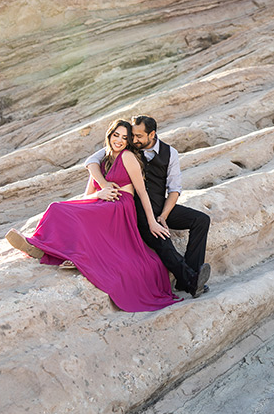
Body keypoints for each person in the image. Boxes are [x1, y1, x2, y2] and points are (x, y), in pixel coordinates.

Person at [4, 119, 181, 312]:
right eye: (116, 136)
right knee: (57, 208)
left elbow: (142, 191)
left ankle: (68, 253)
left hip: (119, 206)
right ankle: (39, 246)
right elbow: (87, 196)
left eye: (124, 137)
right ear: (109, 135)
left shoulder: (128, 156)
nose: (119, 141)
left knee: (76, 215)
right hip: (101, 202)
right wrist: (100, 192)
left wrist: (151, 222)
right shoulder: (101, 161)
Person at [86, 115, 211, 298]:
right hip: (138, 211)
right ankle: (192, 282)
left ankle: (190, 277)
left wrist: (164, 216)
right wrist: (104, 184)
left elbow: (175, 190)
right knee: (162, 240)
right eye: (132, 136)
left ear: (152, 134)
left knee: (201, 220)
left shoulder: (170, 153)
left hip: (161, 207)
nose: (133, 140)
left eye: (138, 136)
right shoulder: (126, 148)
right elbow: (91, 160)